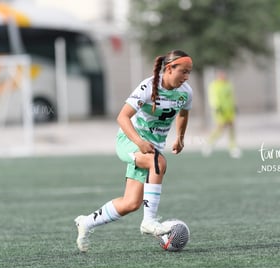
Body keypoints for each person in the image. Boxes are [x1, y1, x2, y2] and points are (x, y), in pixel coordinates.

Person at [74, 50, 193, 252]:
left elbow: (183, 113)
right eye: (183, 71)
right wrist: (139, 142)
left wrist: (180, 138)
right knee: (159, 163)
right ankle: (149, 222)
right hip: (129, 141)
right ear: (170, 68)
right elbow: (122, 117)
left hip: (150, 147)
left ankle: (86, 222)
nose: (186, 77)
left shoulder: (185, 92)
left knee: (131, 203)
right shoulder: (148, 87)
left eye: (189, 72)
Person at [203, 70, 241, 158]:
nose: (223, 76)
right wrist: (216, 107)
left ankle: (233, 147)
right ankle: (209, 143)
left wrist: (234, 106)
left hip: (229, 111)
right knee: (220, 129)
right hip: (220, 111)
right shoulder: (214, 85)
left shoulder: (228, 84)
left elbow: (231, 96)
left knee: (232, 129)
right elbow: (213, 97)